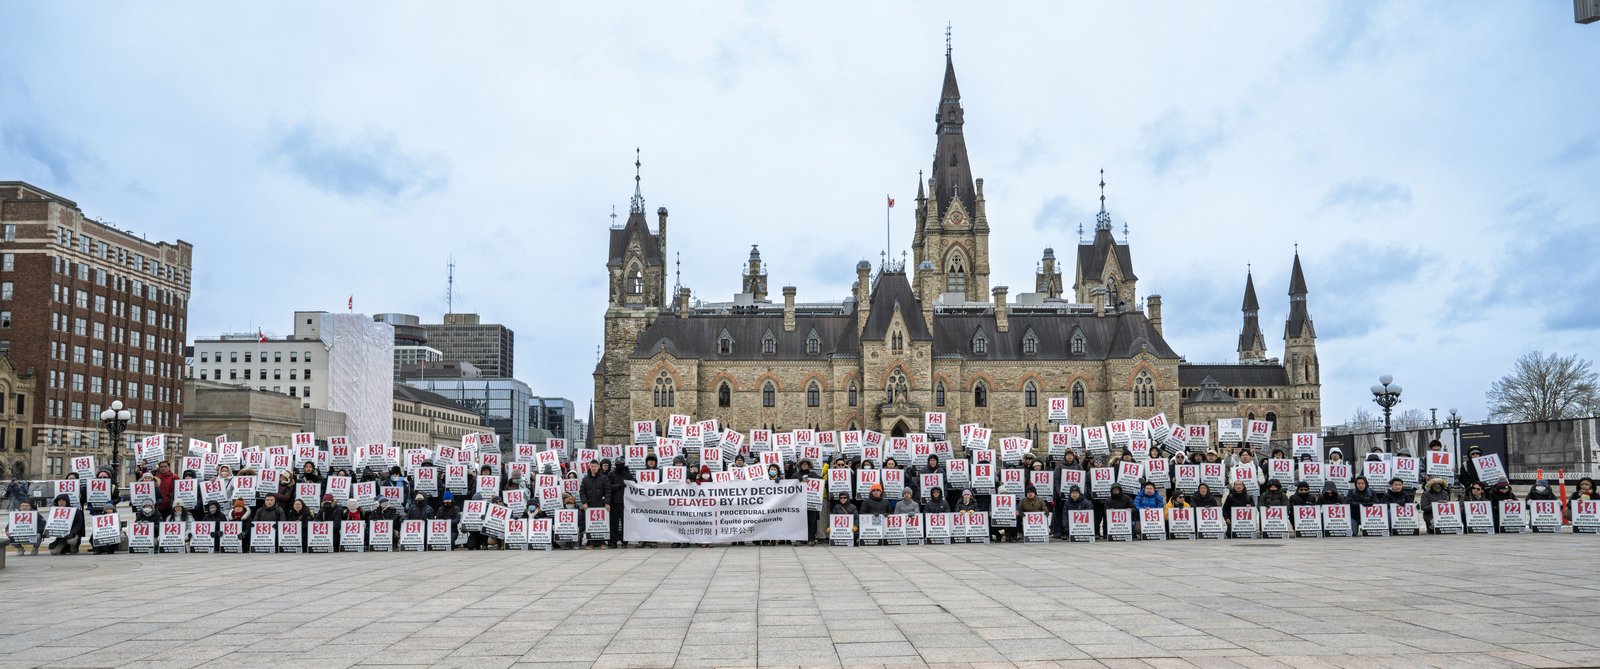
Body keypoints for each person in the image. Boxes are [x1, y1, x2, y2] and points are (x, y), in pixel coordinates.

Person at [579, 460, 610, 549]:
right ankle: (590, 542)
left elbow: (608, 491)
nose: (593, 468)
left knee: (601, 523)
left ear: (598, 467)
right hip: (590, 505)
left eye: (595, 466)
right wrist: (584, 502)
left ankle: (602, 542)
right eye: (592, 466)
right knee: (590, 524)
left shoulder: (604, 478)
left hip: (601, 504)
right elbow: (582, 492)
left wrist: (607, 502)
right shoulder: (585, 479)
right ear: (589, 467)